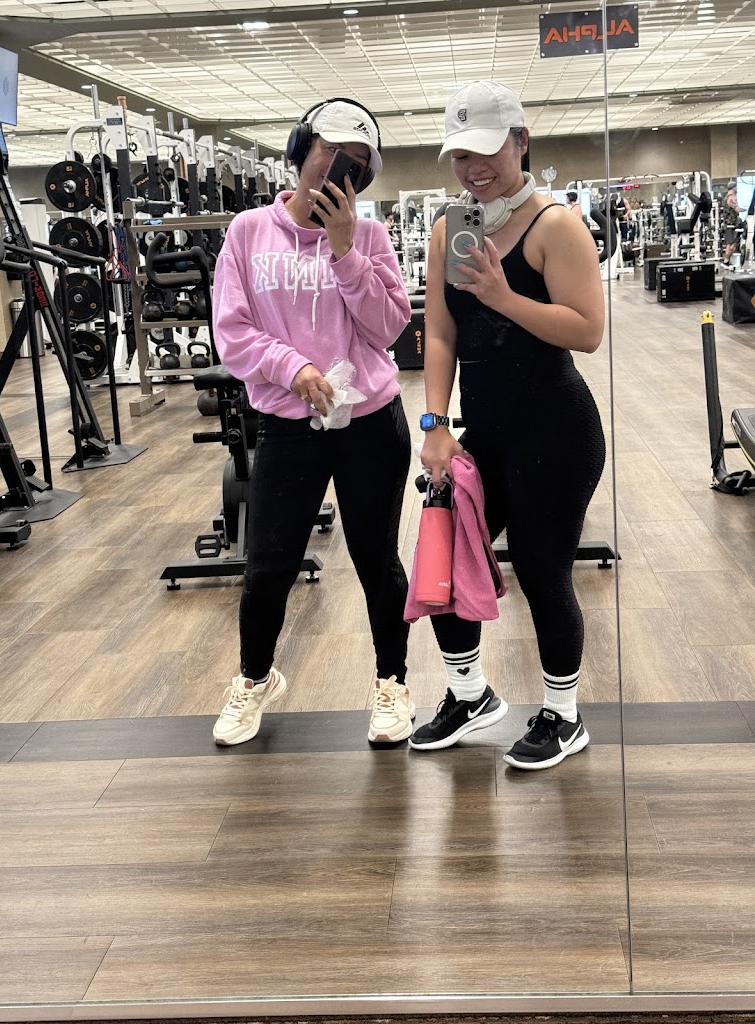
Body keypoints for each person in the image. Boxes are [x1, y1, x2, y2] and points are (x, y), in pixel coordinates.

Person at [409, 80, 606, 769]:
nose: (473, 168)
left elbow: (586, 331)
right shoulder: (448, 229)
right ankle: (471, 697)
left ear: (521, 142)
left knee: (542, 569)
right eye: (460, 155)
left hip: (558, 431)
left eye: (486, 150)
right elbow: (439, 333)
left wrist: (501, 294)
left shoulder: (557, 226)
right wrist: (434, 424)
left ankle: (564, 717)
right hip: (485, 433)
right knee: (442, 555)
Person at [212, 98, 414, 747]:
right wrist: (290, 366)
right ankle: (254, 678)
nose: (337, 169)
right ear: (302, 149)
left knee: (377, 560)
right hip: (289, 425)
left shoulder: (370, 238)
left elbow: (388, 330)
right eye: (329, 151)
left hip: (370, 422)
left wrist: (347, 251)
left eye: (354, 161)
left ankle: (392, 682)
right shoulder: (249, 232)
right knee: (268, 563)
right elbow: (231, 332)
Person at [720, 182, 744, 265]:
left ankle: (726, 260)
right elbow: (737, 209)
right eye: (736, 187)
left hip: (729, 224)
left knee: (731, 244)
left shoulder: (726, 197)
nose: (737, 189)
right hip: (730, 224)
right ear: (733, 188)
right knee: (730, 244)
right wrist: (746, 209)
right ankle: (726, 261)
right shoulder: (731, 198)